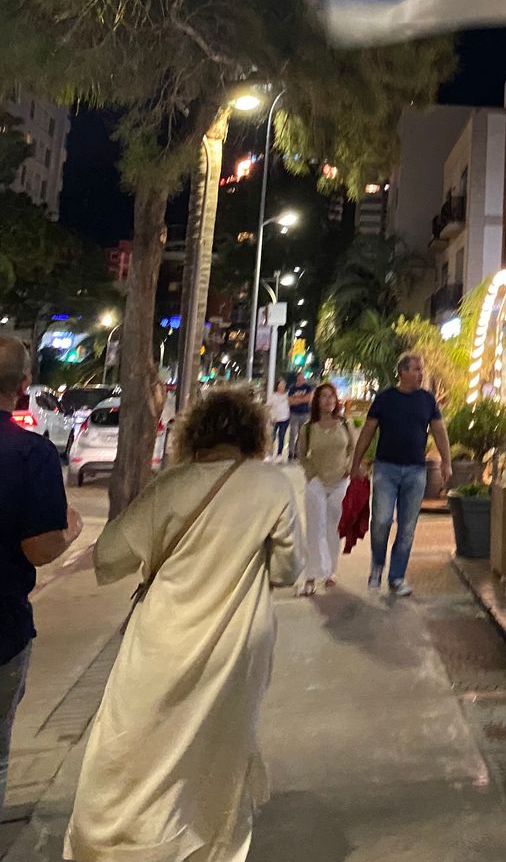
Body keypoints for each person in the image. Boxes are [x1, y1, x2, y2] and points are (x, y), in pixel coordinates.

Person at [64, 385, 300, 862]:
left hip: (163, 640)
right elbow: (286, 570)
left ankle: (122, 843)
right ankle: (208, 847)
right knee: (218, 746)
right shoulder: (273, 485)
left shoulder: (171, 485)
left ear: (195, 433)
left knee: (138, 745)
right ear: (253, 433)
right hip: (237, 644)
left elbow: (110, 555)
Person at [0, 335, 83, 811]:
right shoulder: (32, 453)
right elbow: (39, 548)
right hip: (3, 627)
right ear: (24, 385)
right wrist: (70, 532)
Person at [350, 353, 451, 596]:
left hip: (416, 471)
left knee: (407, 527)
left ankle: (396, 576)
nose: (421, 374)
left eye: (421, 369)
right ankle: (377, 563)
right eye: (416, 369)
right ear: (403, 372)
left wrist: (446, 462)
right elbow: (368, 431)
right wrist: (356, 462)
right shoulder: (385, 399)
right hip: (386, 469)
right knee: (382, 521)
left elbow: (439, 431)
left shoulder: (427, 400)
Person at [297, 382, 353, 596]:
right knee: (315, 527)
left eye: (331, 396)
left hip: (340, 482)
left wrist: (348, 468)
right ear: (317, 401)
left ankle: (330, 571)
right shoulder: (308, 428)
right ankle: (311, 576)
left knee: (334, 527)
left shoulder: (345, 424)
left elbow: (353, 448)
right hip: (317, 482)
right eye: (323, 396)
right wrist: (311, 474)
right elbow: (302, 454)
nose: (328, 400)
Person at [286, 375, 313, 460]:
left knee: (302, 433)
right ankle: (291, 452)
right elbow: (290, 401)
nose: (302, 380)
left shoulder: (308, 388)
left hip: (305, 413)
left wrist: (297, 399)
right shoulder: (292, 389)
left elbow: (308, 399)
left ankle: (297, 451)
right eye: (300, 378)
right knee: (293, 433)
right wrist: (302, 399)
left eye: (303, 378)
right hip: (294, 413)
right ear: (297, 379)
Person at [267, 379, 290, 461]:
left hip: (284, 419)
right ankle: (270, 453)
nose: (282, 387)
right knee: (272, 437)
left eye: (283, 385)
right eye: (280, 385)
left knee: (281, 436)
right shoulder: (273, 396)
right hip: (274, 419)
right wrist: (269, 416)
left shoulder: (287, 396)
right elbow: (268, 406)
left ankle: (279, 454)